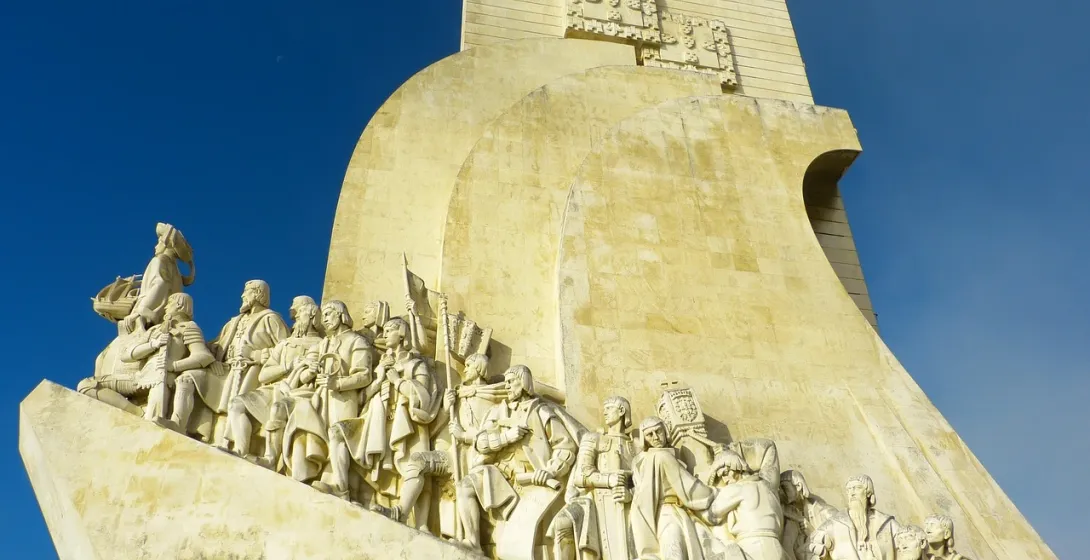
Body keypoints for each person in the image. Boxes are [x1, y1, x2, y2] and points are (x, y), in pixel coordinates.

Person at [455, 365, 578, 552]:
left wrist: (550, 471)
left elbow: (565, 447)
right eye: (506, 382)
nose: (507, 386)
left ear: (523, 383)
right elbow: (481, 442)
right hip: (499, 473)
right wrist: (506, 437)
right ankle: (473, 542)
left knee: (521, 546)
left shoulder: (541, 412)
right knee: (465, 486)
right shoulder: (497, 411)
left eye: (511, 382)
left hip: (530, 480)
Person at [172, 280, 288, 444]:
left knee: (232, 410)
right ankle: (177, 424)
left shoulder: (271, 318)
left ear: (257, 294)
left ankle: (233, 446)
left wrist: (257, 355)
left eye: (246, 291)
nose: (242, 295)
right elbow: (216, 345)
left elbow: (286, 349)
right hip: (224, 370)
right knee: (186, 378)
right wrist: (207, 357)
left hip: (249, 372)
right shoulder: (234, 321)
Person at [283, 301, 374, 488]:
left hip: (344, 398)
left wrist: (338, 383)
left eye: (329, 313)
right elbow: (304, 376)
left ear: (341, 315)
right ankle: (307, 475)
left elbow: (364, 375)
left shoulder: (356, 341)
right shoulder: (323, 344)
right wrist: (310, 370)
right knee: (312, 431)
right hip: (320, 397)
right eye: (323, 314)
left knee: (337, 435)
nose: (324, 318)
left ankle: (340, 487)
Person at [225, 296, 323, 464]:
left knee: (277, 409)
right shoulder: (285, 344)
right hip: (274, 388)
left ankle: (271, 458)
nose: (296, 317)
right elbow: (264, 375)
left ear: (312, 316)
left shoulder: (321, 344)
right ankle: (241, 451)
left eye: (301, 313)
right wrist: (288, 366)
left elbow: (309, 376)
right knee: (237, 404)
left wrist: (305, 371)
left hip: (298, 392)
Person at [548, 396, 636, 560]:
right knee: (562, 522)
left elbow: (645, 480)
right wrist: (608, 479)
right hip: (593, 501)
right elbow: (581, 475)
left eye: (609, 408)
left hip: (627, 503)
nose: (604, 412)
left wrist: (631, 493)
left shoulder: (636, 445)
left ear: (621, 411)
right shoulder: (593, 438)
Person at [629, 416, 715, 560]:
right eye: (650, 434)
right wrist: (714, 492)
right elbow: (689, 488)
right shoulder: (661, 456)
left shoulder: (650, 458)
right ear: (644, 440)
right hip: (667, 513)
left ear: (665, 431)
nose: (656, 437)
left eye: (658, 431)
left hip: (679, 512)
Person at [119, 222, 195, 334]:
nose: (155, 246)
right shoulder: (176, 271)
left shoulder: (159, 261)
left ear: (166, 244)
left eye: (159, 242)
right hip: (165, 318)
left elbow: (160, 284)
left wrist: (141, 310)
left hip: (149, 317)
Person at [810, 475, 900, 560]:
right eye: (849, 489)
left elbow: (905, 545)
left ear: (868, 493)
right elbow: (813, 548)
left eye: (857, 488)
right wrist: (820, 552)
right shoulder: (834, 523)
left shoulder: (886, 523)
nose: (852, 493)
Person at [779, 470, 836, 560]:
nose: (781, 492)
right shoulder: (786, 513)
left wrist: (811, 531)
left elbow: (836, 544)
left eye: (784, 487)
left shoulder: (825, 512)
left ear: (798, 486)